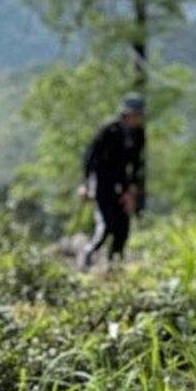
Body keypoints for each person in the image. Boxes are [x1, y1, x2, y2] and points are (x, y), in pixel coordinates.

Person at [78, 92, 146, 270]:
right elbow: (90, 158)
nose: (138, 118)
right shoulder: (108, 131)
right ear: (126, 114)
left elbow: (137, 163)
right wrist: (86, 184)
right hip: (101, 180)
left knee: (123, 224)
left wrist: (131, 189)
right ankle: (87, 254)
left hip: (121, 181)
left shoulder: (138, 134)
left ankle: (115, 262)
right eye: (135, 115)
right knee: (106, 223)